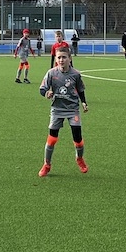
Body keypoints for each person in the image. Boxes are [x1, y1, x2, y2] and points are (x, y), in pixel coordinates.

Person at [38, 48, 89, 176]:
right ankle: (47, 164)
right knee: (52, 139)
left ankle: (79, 158)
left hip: (72, 109)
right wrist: (47, 93)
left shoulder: (75, 74)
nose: (61, 60)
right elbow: (42, 89)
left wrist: (84, 102)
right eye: (59, 57)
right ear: (56, 59)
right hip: (57, 109)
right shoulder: (51, 73)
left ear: (69, 59)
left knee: (78, 139)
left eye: (64, 57)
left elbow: (80, 90)